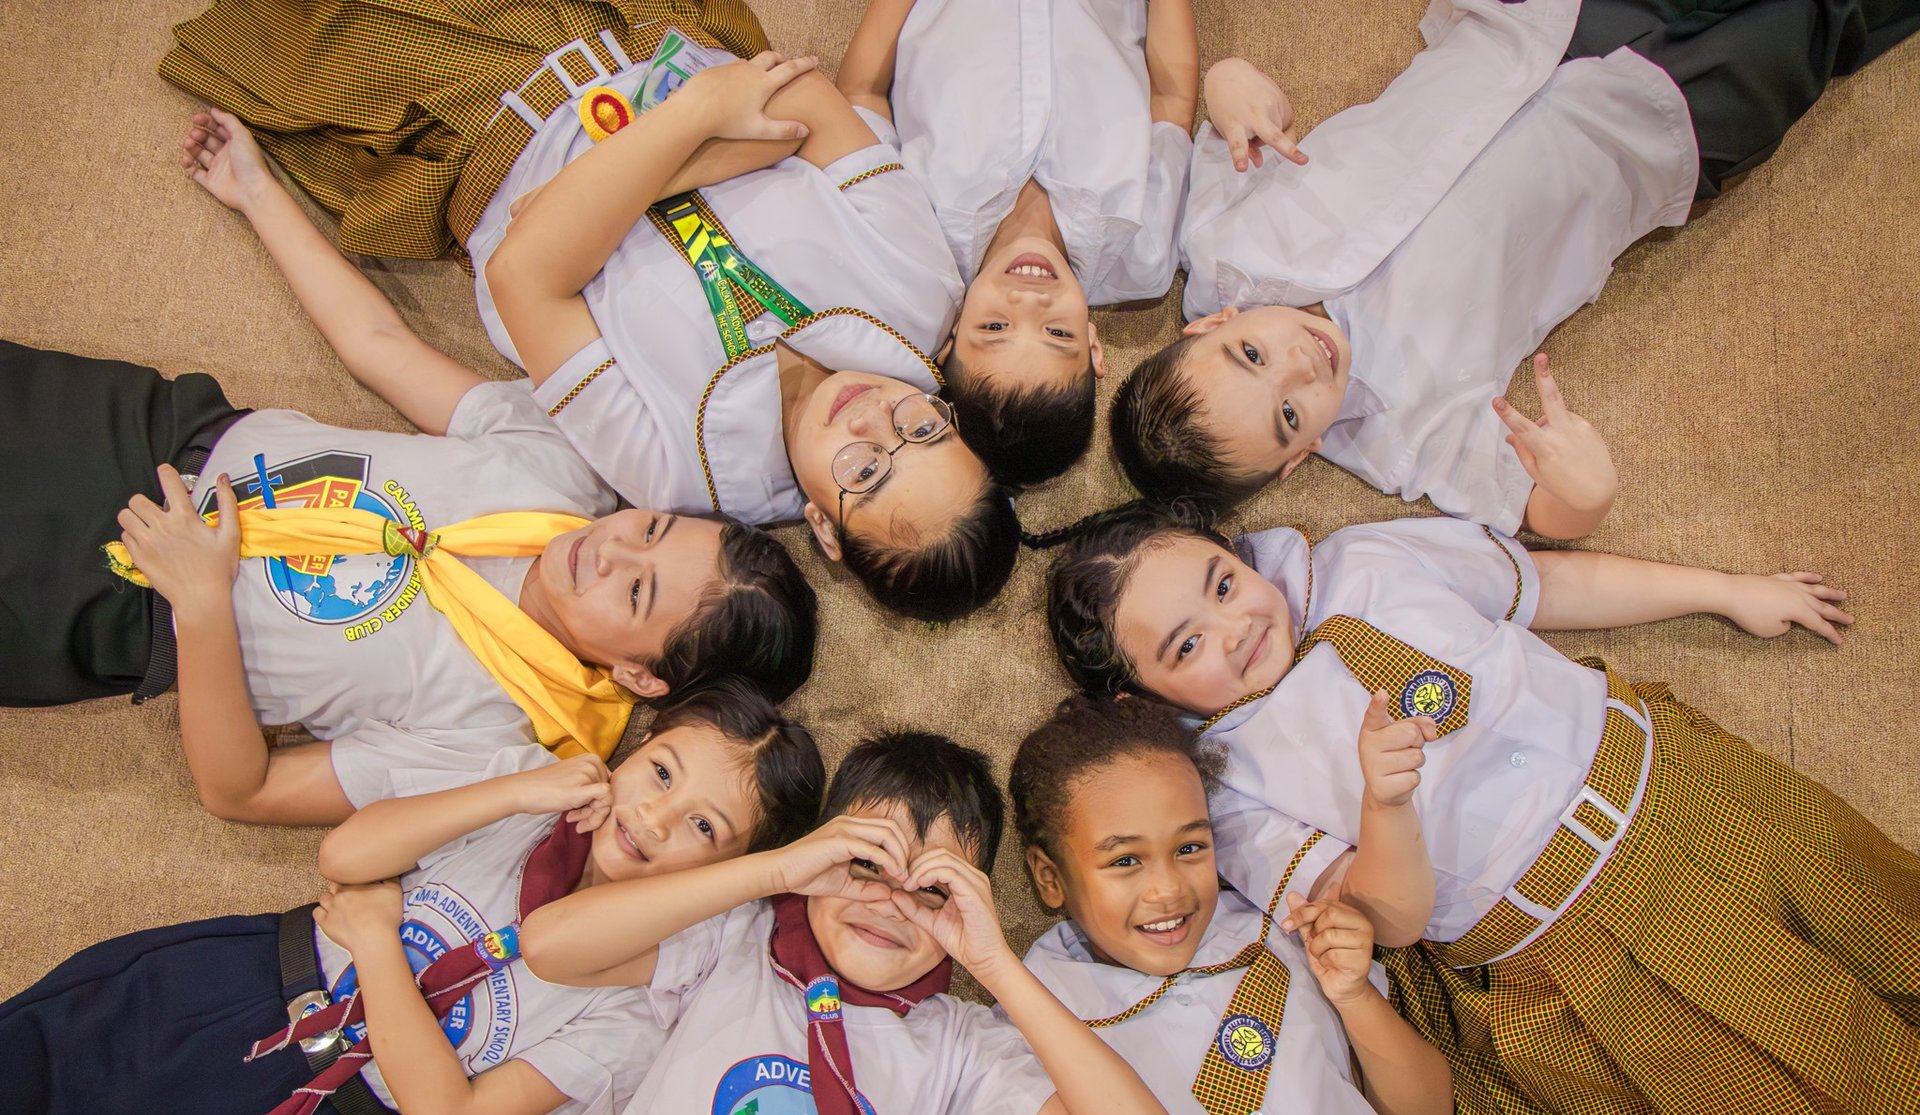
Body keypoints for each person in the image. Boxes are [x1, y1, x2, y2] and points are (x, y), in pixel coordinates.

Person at [1042, 498, 1920, 1115]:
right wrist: (1388, 805)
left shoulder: (1366, 559)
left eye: (1223, 585)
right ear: (1141, 698)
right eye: (1186, 644)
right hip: (1581, 937)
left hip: (1681, 781)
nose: (1232, 628)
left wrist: (1724, 591)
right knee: (1820, 1076)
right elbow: (1392, 919)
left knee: (1880, 917)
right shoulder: (1226, 786)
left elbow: (1542, 587)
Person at [0, 111, 817, 826]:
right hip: (161, 438)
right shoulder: (560, 474)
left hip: (124, 603)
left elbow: (243, 791)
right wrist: (257, 193)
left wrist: (203, 604)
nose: (610, 550)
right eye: (649, 526)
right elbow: (381, 349)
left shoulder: (493, 741)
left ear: (639, 674)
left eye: (635, 591)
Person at [0, 682, 824, 1115]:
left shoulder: (637, 1012)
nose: (656, 817)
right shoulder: (526, 789)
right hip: (231, 976)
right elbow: (346, 856)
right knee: (29, 1059)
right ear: (636, 745)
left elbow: (441, 1114)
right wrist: (518, 787)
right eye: (662, 772)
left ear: (728, 872)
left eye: (705, 827)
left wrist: (377, 939)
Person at [1111, 0, 1920, 536]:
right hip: (1653, 132)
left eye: (1250, 354)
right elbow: (1534, 510)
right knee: (1820, 17)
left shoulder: (1217, 241)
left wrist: (1228, 82)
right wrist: (1586, 494)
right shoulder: (1406, 439)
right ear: (1297, 461)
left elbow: (1204, 121)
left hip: (1533, 30)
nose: (1298, 365)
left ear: (1213, 321)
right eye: (1290, 415)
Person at [519, 731, 1176, 1115]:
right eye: (865, 862)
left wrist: (994, 962)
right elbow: (548, 943)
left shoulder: (960, 1048)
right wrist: (778, 870)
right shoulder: (737, 944)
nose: (889, 902)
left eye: (930, 889)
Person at [482, 49, 1021, 620]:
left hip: (495, 137)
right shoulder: (924, 295)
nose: (873, 419)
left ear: (824, 528)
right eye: (923, 431)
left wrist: (703, 124)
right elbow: (799, 95)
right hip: (651, 40)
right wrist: (690, 117)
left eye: (865, 472)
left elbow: (519, 281)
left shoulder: (678, 476)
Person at [1002, 694, 1468, 1115]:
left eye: (1190, 848)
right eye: (1125, 861)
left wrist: (1355, 997)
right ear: (1050, 877)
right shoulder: (1036, 1018)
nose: (1168, 889)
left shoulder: (1283, 931)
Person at [832, 0, 1202, 487]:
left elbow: (862, 93)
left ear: (949, 341)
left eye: (994, 325)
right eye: (1058, 334)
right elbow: (1172, 103)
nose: (1030, 301)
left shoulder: (917, 232)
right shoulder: (1143, 256)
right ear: (1093, 344)